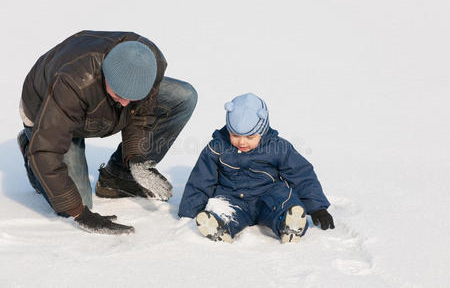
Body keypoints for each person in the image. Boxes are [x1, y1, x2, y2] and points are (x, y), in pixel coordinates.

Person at [17, 30, 197, 234]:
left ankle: (118, 178)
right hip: (46, 111)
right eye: (120, 94)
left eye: (134, 97)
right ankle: (29, 148)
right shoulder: (73, 82)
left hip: (93, 108)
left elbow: (140, 115)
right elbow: (46, 150)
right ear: (106, 76)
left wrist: (135, 158)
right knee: (75, 203)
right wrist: (80, 214)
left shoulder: (149, 64)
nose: (125, 103)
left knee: (184, 96)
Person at [178, 93, 333, 243]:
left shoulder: (278, 147)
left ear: (263, 131)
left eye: (250, 137)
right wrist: (189, 213)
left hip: (268, 198)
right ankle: (221, 225)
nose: (242, 142)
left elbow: (301, 175)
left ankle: (288, 223)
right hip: (233, 197)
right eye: (235, 136)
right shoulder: (217, 147)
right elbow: (201, 180)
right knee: (221, 206)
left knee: (285, 199)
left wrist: (317, 207)